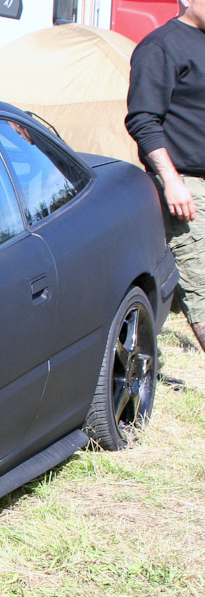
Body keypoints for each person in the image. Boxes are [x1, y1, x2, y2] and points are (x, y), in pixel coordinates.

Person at [126, 0, 205, 351]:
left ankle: (144, 348)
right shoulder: (161, 46)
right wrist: (172, 180)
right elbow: (143, 119)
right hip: (186, 185)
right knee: (201, 285)